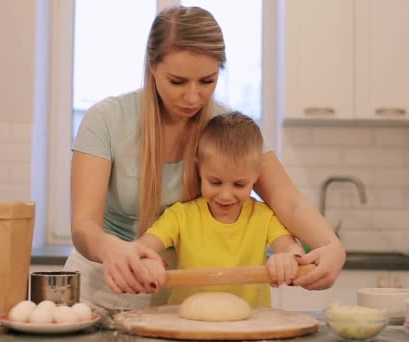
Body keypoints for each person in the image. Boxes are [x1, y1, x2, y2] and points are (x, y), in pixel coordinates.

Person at [63, 5, 345, 310]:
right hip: (102, 288)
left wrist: (332, 247)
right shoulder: (106, 119)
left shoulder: (225, 129)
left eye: (207, 81)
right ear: (152, 65)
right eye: (178, 81)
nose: (193, 97)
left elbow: (288, 201)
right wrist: (112, 250)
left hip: (181, 295)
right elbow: (84, 225)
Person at [126, 112, 306, 308]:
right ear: (199, 168)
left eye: (239, 184)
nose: (226, 195)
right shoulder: (180, 216)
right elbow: (142, 247)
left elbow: (291, 248)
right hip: (188, 328)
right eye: (215, 182)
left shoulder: (264, 217)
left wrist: (288, 259)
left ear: (257, 173)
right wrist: (146, 260)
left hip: (250, 327)